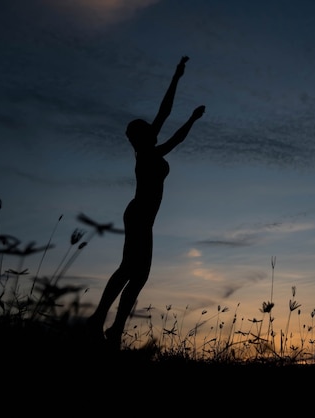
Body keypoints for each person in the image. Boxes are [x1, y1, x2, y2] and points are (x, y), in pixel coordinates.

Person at [86, 56, 205, 349]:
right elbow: (169, 123)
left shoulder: (149, 152)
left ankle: (112, 328)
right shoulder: (148, 154)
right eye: (146, 130)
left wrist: (180, 89)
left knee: (137, 275)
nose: (154, 129)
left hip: (142, 217)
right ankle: (100, 321)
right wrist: (187, 109)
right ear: (140, 137)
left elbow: (168, 124)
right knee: (130, 270)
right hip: (138, 215)